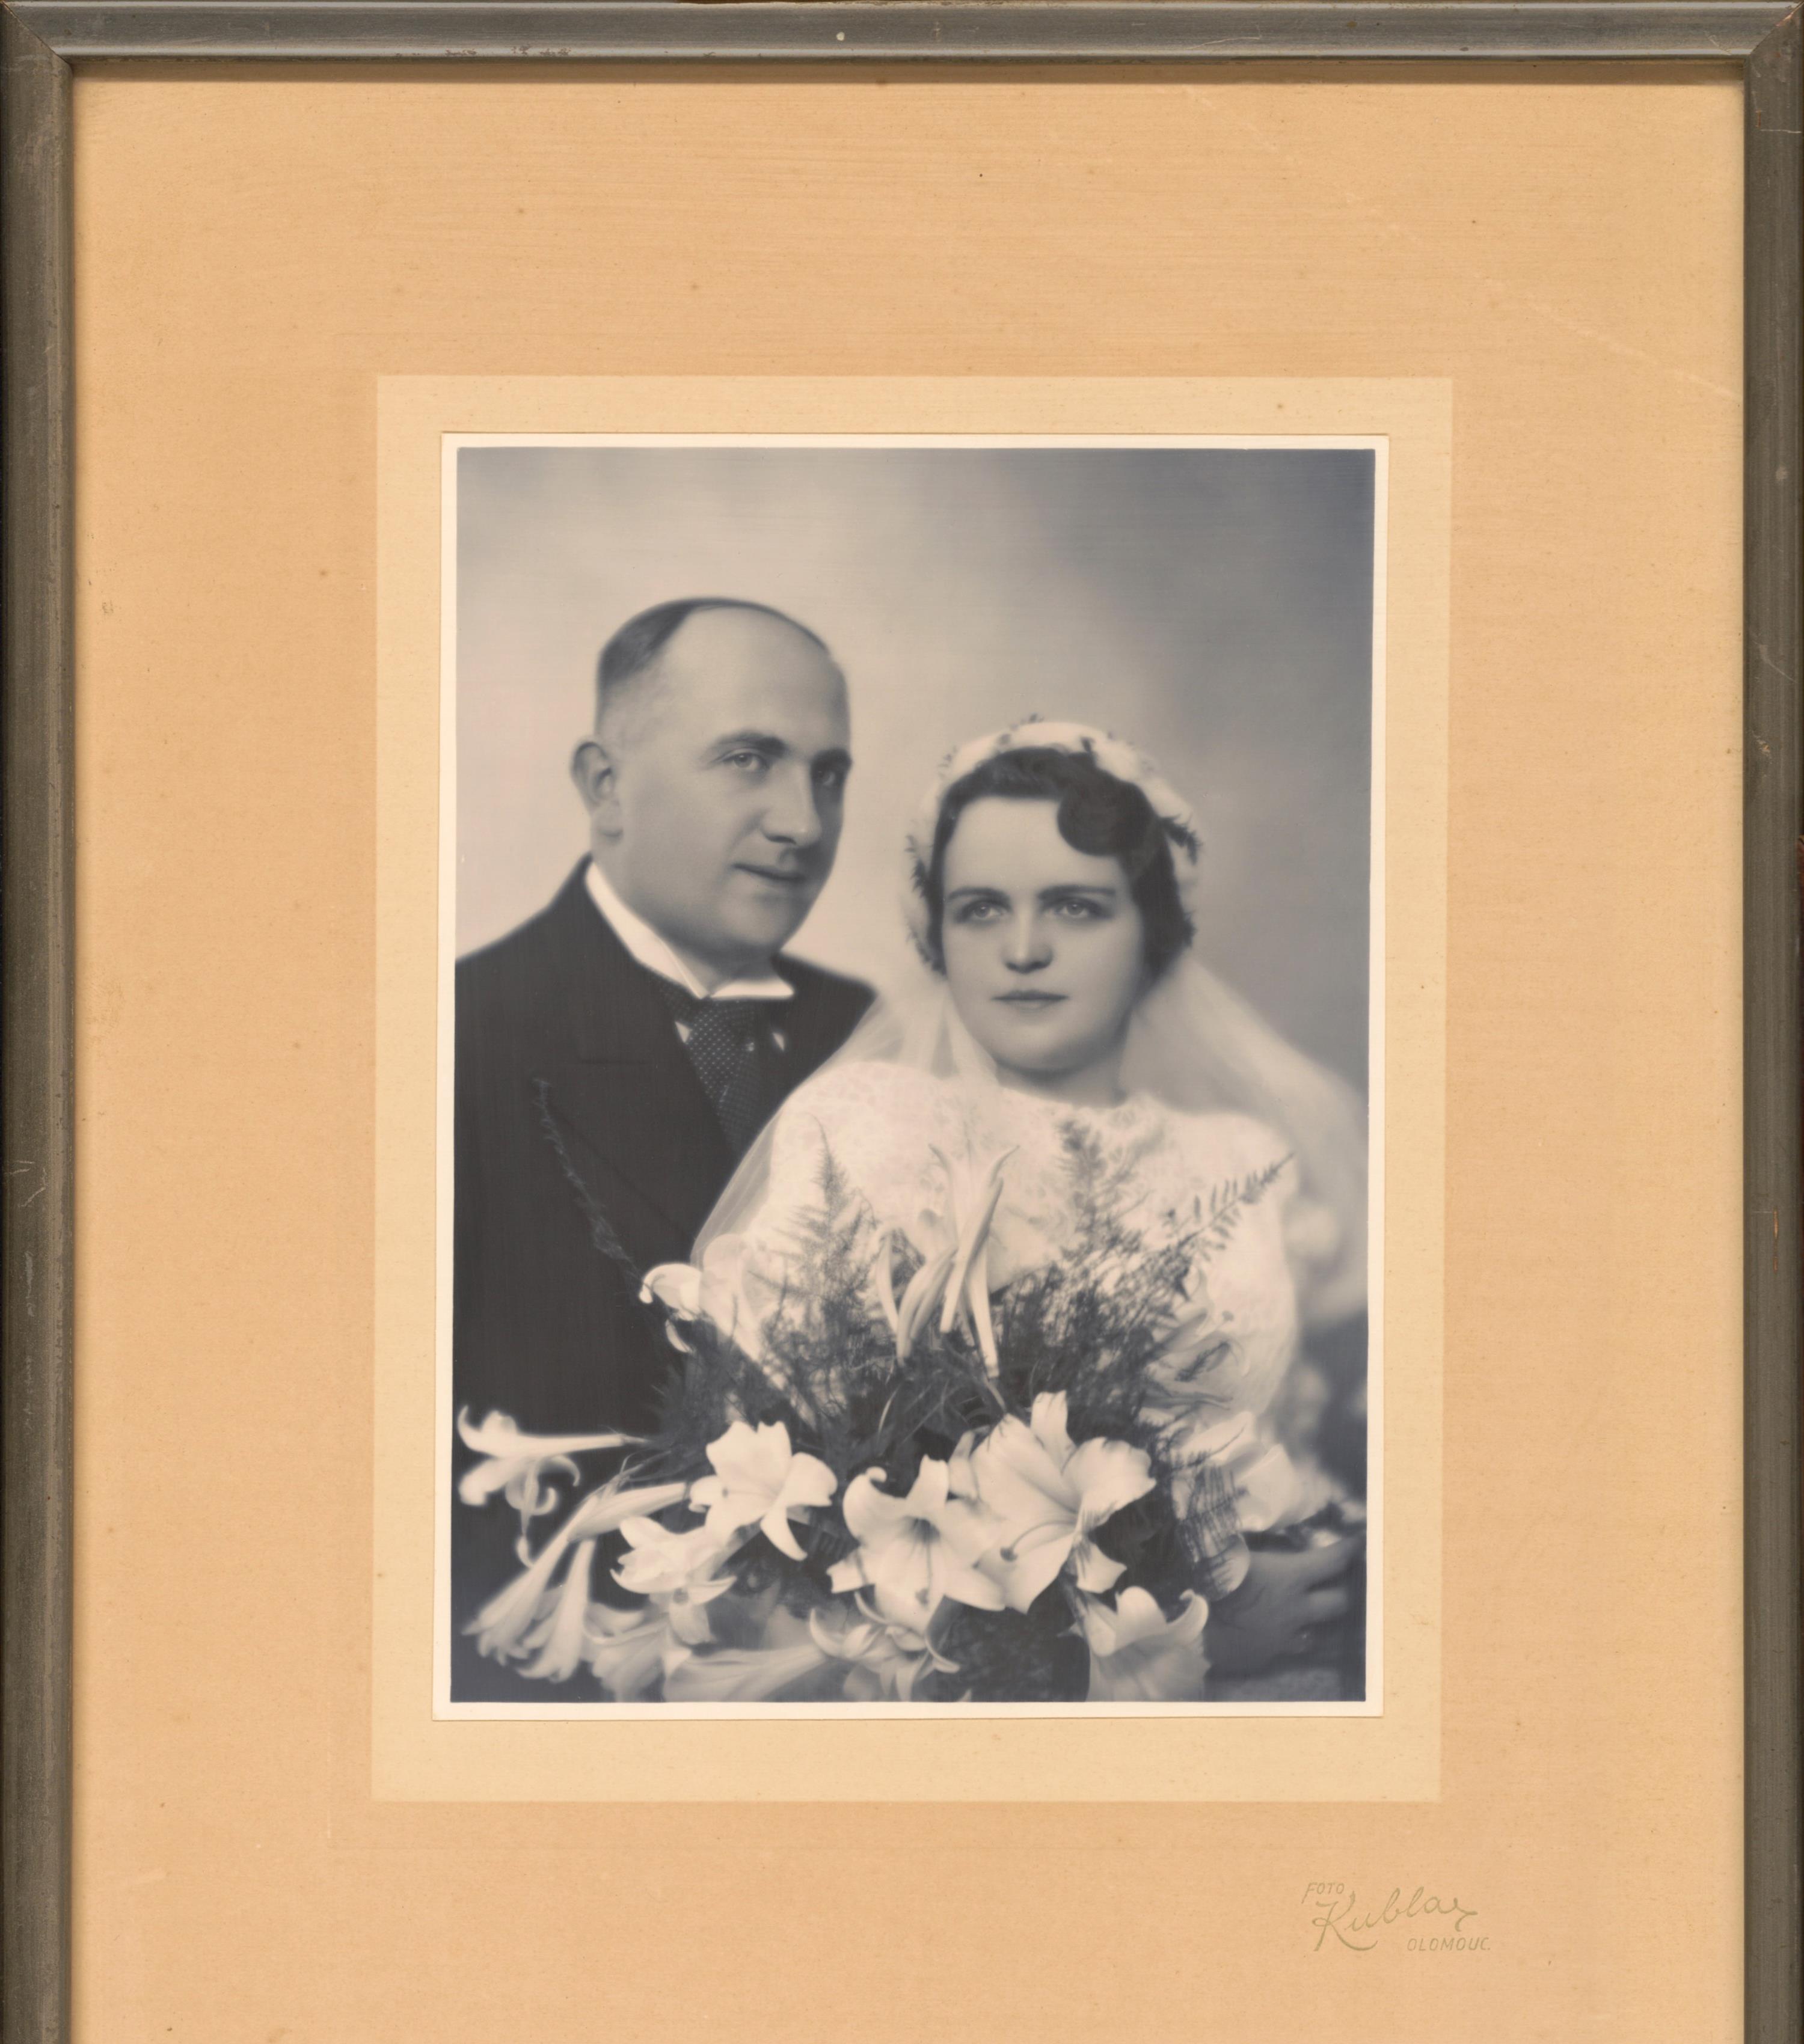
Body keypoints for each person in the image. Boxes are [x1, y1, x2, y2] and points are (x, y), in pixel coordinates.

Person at [696, 721, 1368, 1697]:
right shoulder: (867, 1132)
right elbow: (802, 1547)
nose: (1022, 950)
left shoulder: (1244, 1159)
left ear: (1151, 931)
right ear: (938, 936)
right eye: (980, 910)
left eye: (1075, 907)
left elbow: (1302, 1445)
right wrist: (1192, 1631)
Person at [452, 598, 873, 1694]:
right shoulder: (454, 1040)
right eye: (749, 759)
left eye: (828, 774)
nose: (803, 822)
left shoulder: (874, 1036)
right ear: (605, 787)